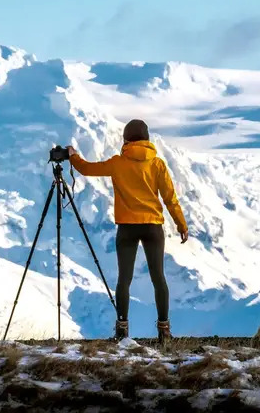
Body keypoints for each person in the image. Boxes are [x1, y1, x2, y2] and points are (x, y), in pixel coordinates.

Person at [67, 119, 188, 343]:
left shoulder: (117, 163)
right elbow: (170, 198)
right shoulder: (157, 164)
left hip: (127, 228)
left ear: (126, 139)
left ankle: (122, 329)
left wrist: (72, 155)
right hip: (153, 226)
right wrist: (181, 224)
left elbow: (86, 168)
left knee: (125, 279)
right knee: (158, 277)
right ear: (147, 139)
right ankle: (164, 331)